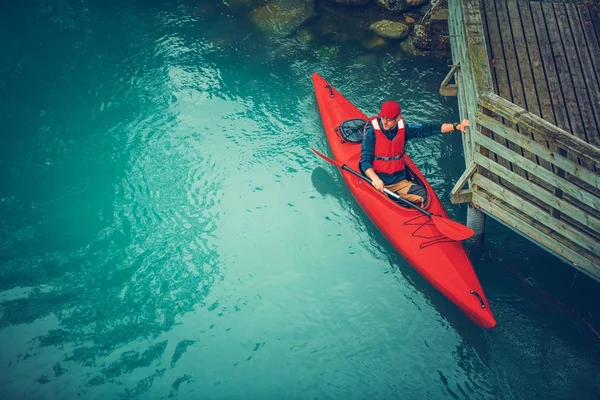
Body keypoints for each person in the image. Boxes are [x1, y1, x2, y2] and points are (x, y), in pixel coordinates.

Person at [359, 100, 469, 207]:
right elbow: (365, 161)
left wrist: (456, 126)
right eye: (383, 118)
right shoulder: (372, 134)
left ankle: (399, 198)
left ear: (398, 118)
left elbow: (428, 129)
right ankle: (391, 199)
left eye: (389, 119)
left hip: (399, 182)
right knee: (384, 203)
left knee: (425, 197)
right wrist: (375, 178)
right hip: (377, 181)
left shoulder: (404, 130)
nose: (385, 122)